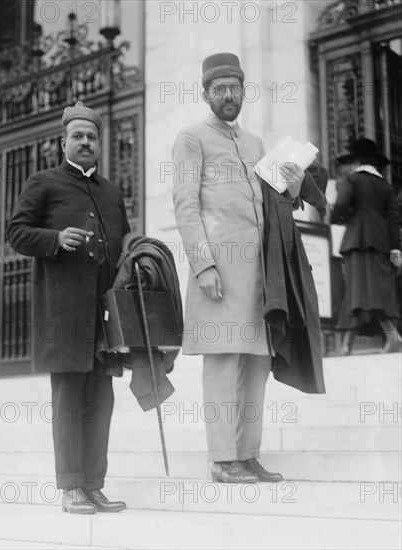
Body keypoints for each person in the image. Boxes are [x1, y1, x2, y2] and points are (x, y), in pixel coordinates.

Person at [172, 53, 327, 484]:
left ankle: (248, 454)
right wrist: (202, 265)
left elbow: (277, 200)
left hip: (260, 273)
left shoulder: (257, 144)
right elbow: (185, 205)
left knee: (256, 362)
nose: (227, 95)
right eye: (218, 89)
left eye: (234, 88)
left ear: (243, 91)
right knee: (223, 363)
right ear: (206, 94)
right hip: (219, 270)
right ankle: (223, 459)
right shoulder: (191, 138)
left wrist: (296, 180)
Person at [7, 101, 130, 514]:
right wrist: (56, 239)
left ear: (100, 144)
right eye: (77, 136)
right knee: (69, 399)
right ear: (63, 142)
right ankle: (71, 486)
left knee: (101, 399)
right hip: (63, 312)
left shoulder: (112, 192)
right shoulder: (43, 182)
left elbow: (124, 241)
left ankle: (94, 484)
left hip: (104, 313)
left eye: (92, 137)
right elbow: (17, 234)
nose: (85, 143)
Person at [330, 138, 402, 354]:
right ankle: (347, 345)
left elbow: (342, 204)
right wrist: (396, 249)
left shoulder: (350, 180)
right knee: (375, 292)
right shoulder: (386, 186)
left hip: (357, 242)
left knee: (356, 293)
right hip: (381, 243)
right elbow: (394, 219)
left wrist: (338, 217)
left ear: (356, 161)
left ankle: (387, 337)